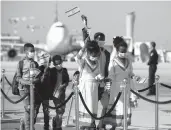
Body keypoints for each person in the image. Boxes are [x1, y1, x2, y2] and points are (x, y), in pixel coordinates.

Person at [104, 40, 138, 130]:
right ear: (118, 51)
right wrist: (108, 86)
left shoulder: (129, 61)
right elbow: (110, 75)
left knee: (126, 106)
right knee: (117, 106)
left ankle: (124, 125)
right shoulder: (113, 62)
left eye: (124, 51)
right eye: (121, 51)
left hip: (126, 87)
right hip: (116, 88)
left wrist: (135, 77)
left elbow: (130, 72)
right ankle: (114, 125)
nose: (123, 53)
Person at [75, 40, 104, 129]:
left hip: (94, 87)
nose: (94, 57)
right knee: (85, 106)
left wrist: (100, 77)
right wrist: (84, 47)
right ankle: (83, 125)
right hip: (85, 87)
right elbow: (77, 57)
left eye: (96, 55)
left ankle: (91, 123)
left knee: (92, 106)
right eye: (93, 55)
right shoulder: (83, 61)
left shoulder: (97, 63)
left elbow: (97, 74)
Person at [16, 43, 39, 130]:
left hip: (33, 89)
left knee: (34, 109)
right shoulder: (21, 63)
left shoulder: (35, 63)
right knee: (28, 108)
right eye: (31, 51)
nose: (33, 53)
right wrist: (27, 82)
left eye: (34, 51)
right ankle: (28, 127)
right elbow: (18, 78)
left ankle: (25, 123)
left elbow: (38, 78)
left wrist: (34, 81)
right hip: (23, 89)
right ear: (26, 52)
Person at [93, 32, 111, 130]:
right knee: (92, 107)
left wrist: (108, 82)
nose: (101, 43)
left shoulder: (107, 53)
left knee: (107, 105)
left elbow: (108, 69)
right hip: (93, 84)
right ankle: (91, 124)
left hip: (103, 84)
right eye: (99, 41)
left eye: (102, 41)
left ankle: (101, 125)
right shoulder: (91, 52)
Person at [50, 55, 70, 130]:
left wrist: (64, 85)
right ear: (54, 64)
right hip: (55, 94)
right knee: (60, 111)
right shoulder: (52, 71)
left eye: (60, 63)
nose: (59, 65)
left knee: (62, 110)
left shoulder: (64, 70)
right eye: (57, 64)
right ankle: (58, 127)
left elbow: (67, 80)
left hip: (62, 93)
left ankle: (55, 119)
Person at [34, 51, 52, 130]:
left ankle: (46, 126)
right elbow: (41, 81)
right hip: (38, 95)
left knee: (46, 112)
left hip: (45, 95)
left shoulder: (49, 70)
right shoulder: (38, 70)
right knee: (35, 111)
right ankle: (31, 124)